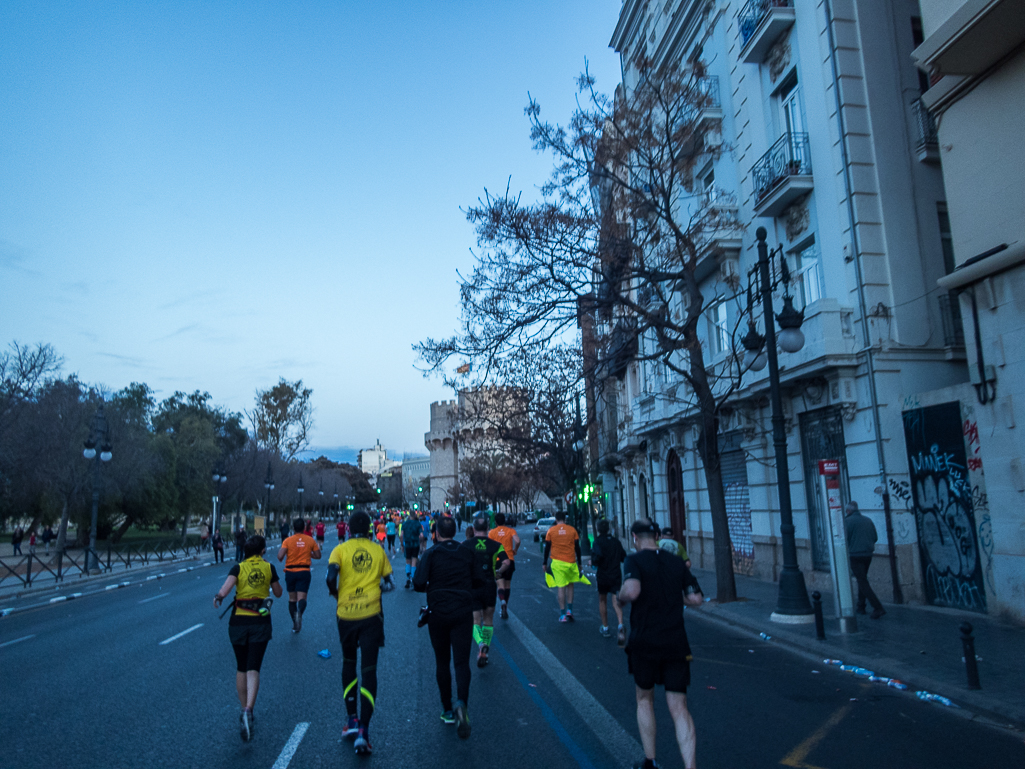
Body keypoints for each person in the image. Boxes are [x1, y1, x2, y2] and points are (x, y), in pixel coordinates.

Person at [618, 518, 704, 769]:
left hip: (645, 642)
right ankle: (690, 766)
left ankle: (650, 760)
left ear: (634, 537)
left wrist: (621, 598)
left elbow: (632, 591)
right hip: (676, 641)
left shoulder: (634, 561)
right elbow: (696, 598)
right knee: (679, 706)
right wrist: (674, 599)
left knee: (644, 699)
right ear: (656, 535)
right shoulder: (676, 562)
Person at [326, 511, 394, 755]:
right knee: (369, 670)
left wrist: (336, 594)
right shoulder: (378, 550)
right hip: (371, 616)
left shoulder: (340, 550)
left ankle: (352, 719)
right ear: (370, 529)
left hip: (345, 615)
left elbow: (330, 577)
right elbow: (389, 582)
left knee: (348, 663)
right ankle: (364, 730)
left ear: (348, 527)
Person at [213, 534, 283, 742]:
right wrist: (268, 585)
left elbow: (224, 591)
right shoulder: (269, 567)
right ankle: (249, 710)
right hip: (260, 622)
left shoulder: (238, 567)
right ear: (262, 551)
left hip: (238, 623)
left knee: (241, 666)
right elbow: (278, 593)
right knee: (254, 667)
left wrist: (218, 598)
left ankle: (243, 709)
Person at [413, 515, 474, 739]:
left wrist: (434, 586)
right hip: (462, 611)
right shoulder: (466, 552)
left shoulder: (430, 553)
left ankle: (447, 710)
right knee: (461, 662)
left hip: (437, 612)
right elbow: (478, 581)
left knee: (442, 661)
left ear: (436, 533)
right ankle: (462, 704)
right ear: (455, 532)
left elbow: (418, 583)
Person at [463, 516, 509, 668]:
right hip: (489, 584)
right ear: (488, 529)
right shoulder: (496, 545)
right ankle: (485, 653)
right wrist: (498, 572)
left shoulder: (466, 545)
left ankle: (480, 644)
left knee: (475, 620)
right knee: (488, 619)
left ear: (474, 529)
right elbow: (506, 562)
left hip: (473, 585)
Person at [543, 510, 591, 622]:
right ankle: (570, 610)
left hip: (557, 563)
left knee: (561, 587)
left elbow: (547, 548)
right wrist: (579, 563)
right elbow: (577, 548)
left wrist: (544, 562)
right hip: (571, 561)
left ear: (556, 519)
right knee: (570, 585)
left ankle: (562, 614)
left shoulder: (551, 531)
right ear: (565, 519)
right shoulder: (572, 530)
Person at [277, 519, 322, 633]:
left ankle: (295, 623)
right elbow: (318, 556)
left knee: (292, 599)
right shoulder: (310, 540)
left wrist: (289, 552)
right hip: (304, 571)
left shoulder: (288, 540)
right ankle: (299, 613)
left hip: (290, 571)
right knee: (302, 598)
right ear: (304, 528)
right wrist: (308, 553)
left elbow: (279, 556)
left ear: (293, 528)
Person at [844, 501, 885, 619]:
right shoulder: (868, 520)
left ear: (848, 511)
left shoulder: (847, 522)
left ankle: (878, 607)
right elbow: (875, 537)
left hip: (855, 555)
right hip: (868, 554)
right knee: (862, 580)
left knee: (862, 582)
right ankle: (861, 606)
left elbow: (844, 540)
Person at [591, 519, 627, 644]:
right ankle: (620, 624)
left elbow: (597, 557)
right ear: (609, 529)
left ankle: (605, 627)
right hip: (616, 574)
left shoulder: (597, 542)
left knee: (602, 600)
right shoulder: (616, 542)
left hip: (603, 575)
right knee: (615, 600)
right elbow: (624, 557)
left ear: (598, 529)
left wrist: (593, 562)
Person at [488, 512, 520, 619]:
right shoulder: (510, 531)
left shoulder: (492, 532)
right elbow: (517, 540)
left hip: (497, 560)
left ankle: (502, 601)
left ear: (495, 522)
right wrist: (515, 549)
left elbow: (489, 544)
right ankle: (505, 604)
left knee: (500, 585)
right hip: (509, 560)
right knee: (507, 585)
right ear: (504, 521)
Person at [401, 513, 425, 589]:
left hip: (407, 544)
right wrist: (420, 542)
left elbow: (401, 535)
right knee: (414, 561)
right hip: (415, 544)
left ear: (409, 516)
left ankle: (408, 577)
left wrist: (402, 544)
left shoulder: (404, 524)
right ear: (414, 516)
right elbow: (421, 535)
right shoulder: (417, 524)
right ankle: (413, 578)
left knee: (408, 561)